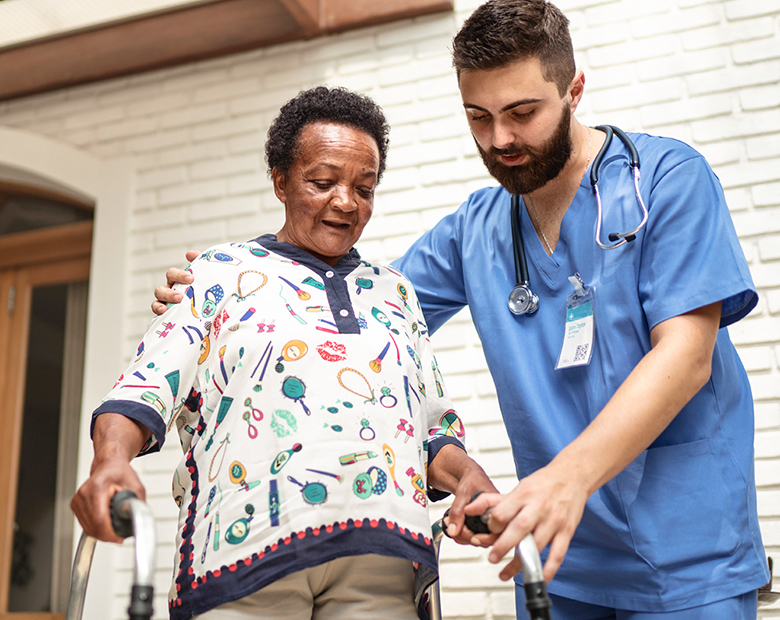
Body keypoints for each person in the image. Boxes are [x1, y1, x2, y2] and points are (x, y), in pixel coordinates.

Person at [153, 1, 771, 618]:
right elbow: (357, 322)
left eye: (522, 113)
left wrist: (566, 480)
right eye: (479, 117)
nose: (500, 139)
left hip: (688, 555)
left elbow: (686, 356)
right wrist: (239, 285)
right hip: (555, 557)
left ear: (574, 91)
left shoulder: (663, 179)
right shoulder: (476, 229)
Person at [72, 85, 494, 620]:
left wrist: (468, 476)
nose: (346, 201)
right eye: (322, 182)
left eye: (364, 187)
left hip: (383, 559)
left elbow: (431, 429)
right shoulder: (218, 274)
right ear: (280, 181)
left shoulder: (397, 294)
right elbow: (143, 389)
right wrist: (110, 462)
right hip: (242, 558)